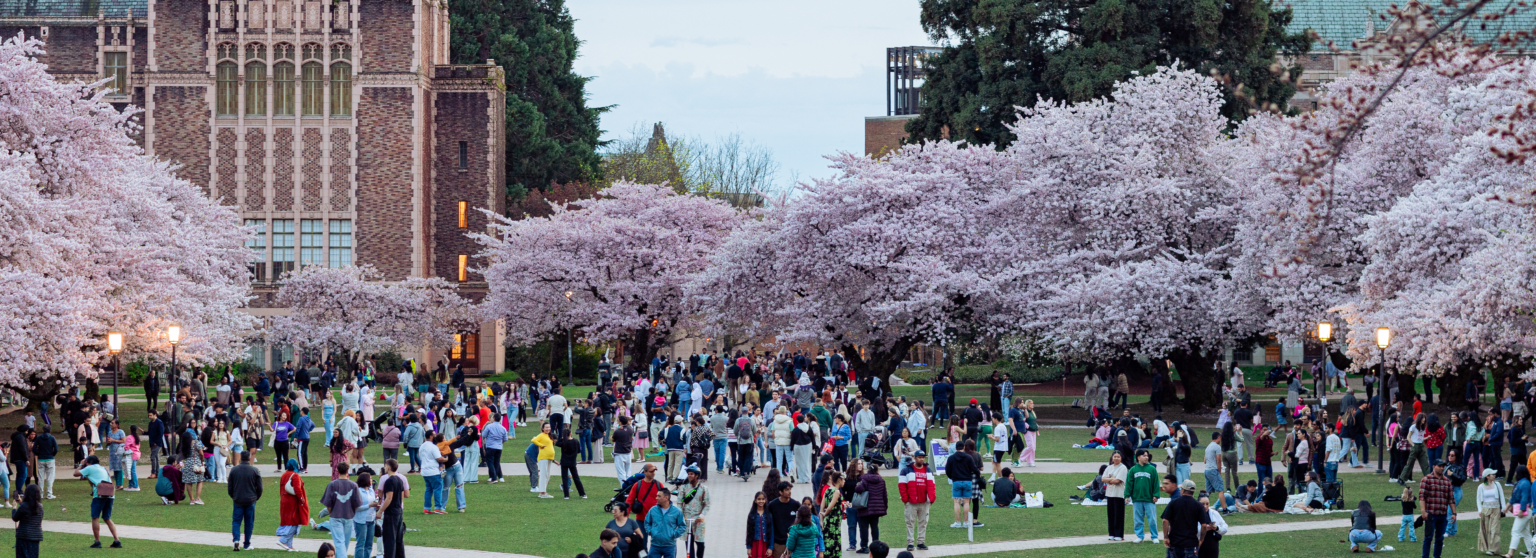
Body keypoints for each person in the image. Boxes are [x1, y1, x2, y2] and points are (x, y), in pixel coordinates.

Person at [74, 455, 121, 548]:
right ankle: (117, 540)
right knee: (107, 518)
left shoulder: (90, 468)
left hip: (99, 495)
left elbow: (75, 473)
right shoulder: (102, 468)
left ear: (88, 462)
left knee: (95, 517)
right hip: (110, 494)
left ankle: (97, 541)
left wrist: (81, 464)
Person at [1160, 478, 1209, 558]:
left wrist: (1166, 537)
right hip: (1191, 544)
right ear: (1193, 492)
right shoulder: (1198, 505)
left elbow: (1165, 521)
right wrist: (1201, 539)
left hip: (1175, 543)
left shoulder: (1173, 502)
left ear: (1182, 490)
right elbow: (1204, 525)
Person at [897, 450, 935, 551]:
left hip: (925, 502)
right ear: (915, 458)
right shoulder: (906, 470)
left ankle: (921, 542)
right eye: (919, 457)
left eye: (923, 457)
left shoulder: (928, 470)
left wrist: (932, 498)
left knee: (923, 522)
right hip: (911, 502)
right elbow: (901, 486)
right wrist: (905, 499)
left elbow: (932, 485)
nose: (921, 459)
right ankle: (910, 543)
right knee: (910, 522)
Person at [1420, 460, 1455, 558]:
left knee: (1439, 539)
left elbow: (1451, 499)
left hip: (1442, 515)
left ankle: (1437, 556)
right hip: (1430, 515)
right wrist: (1423, 512)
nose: (1442, 468)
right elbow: (1422, 497)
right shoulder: (1426, 479)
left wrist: (1454, 513)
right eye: (1439, 466)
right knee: (1428, 538)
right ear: (1434, 466)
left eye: (1443, 466)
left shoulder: (1447, 481)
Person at [227, 450, 262, 551]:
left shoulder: (234, 470)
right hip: (251, 500)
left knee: (236, 521)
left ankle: (236, 540)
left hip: (238, 499)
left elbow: (230, 487)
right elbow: (259, 487)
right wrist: (256, 497)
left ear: (241, 458)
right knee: (249, 522)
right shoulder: (254, 470)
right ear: (250, 458)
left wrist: (233, 496)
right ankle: (247, 544)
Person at [376, 459, 409, 558]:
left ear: (389, 467)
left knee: (389, 539)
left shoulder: (389, 481)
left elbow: (388, 498)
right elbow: (402, 496)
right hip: (398, 511)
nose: (385, 468)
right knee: (399, 539)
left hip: (391, 513)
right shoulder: (400, 479)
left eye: (386, 466)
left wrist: (380, 511)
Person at [1128, 450, 1161, 543]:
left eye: (1147, 456)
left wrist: (1156, 495)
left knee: (1152, 519)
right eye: (1144, 456)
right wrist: (1127, 495)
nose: (1146, 457)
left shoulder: (1152, 469)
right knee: (1138, 519)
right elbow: (1129, 483)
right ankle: (1140, 536)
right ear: (1138, 457)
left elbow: (1156, 483)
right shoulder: (1133, 470)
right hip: (1137, 498)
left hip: (1149, 499)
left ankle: (1154, 536)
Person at [855, 461, 888, 554]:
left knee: (864, 528)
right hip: (877, 509)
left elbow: (858, 489)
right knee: (874, 527)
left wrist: (857, 485)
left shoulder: (864, 479)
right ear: (877, 470)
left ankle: (864, 546)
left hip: (864, 507)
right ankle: (876, 546)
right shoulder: (881, 480)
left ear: (868, 470)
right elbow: (884, 496)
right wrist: (884, 509)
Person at [276, 458, 309, 552]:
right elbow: (297, 489)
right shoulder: (295, 475)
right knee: (294, 521)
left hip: (284, 501)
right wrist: (302, 499)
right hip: (292, 502)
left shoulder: (284, 475)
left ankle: (289, 545)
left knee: (289, 521)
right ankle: (283, 540)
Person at [644, 487, 685, 558]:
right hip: (655, 545)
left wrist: (674, 534)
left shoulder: (677, 511)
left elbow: (682, 526)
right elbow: (647, 523)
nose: (656, 498)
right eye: (656, 496)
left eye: (659, 496)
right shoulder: (653, 510)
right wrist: (651, 532)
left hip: (670, 546)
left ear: (666, 498)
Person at [680, 466, 710, 558]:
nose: (689, 476)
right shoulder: (683, 488)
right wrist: (681, 516)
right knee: (688, 543)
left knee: (700, 543)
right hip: (687, 519)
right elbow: (679, 503)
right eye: (688, 474)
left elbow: (707, 504)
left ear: (697, 475)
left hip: (698, 520)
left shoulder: (703, 488)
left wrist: (701, 515)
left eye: (691, 474)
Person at [766, 481, 799, 558]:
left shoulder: (795, 504)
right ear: (780, 492)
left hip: (792, 541)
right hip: (778, 542)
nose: (789, 492)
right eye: (787, 490)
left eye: (790, 489)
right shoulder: (772, 505)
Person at [1478, 468, 1507, 554]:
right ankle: (1488, 547)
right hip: (1485, 510)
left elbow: (1501, 496)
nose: (1494, 476)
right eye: (1492, 474)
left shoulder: (1497, 485)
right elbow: (1478, 499)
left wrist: (1503, 509)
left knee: (1494, 529)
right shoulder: (1481, 486)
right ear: (1487, 476)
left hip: (1496, 509)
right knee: (1487, 529)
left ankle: (1493, 549)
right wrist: (1480, 510)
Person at [1102, 450, 1129, 541]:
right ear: (1112, 458)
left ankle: (1119, 534)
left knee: (1118, 514)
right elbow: (1103, 479)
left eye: (1118, 457)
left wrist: (1109, 480)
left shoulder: (1123, 468)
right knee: (1111, 514)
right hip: (1110, 493)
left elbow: (1117, 481)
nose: (1116, 458)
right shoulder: (1109, 467)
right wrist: (1111, 479)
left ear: (1121, 458)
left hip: (1119, 494)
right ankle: (1111, 533)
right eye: (1115, 457)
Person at [1507, 465, 1533, 558]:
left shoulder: (1524, 484)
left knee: (1515, 531)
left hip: (1524, 512)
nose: (1515, 473)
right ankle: (1532, 552)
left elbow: (1524, 498)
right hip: (1525, 511)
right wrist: (1507, 507)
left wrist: (1522, 510)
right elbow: (1513, 497)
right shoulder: (1520, 483)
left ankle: (1510, 553)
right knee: (1526, 533)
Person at [12, 484, 41, 558]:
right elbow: (30, 511)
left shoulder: (24, 506)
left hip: (23, 536)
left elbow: (15, 518)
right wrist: (21, 502)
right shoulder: (40, 507)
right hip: (35, 537)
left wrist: (14, 508)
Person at [558, 425, 587, 499]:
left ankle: (566, 495)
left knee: (564, 478)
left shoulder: (564, 442)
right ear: (570, 433)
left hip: (564, 461)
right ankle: (583, 493)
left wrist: (561, 439)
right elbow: (579, 451)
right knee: (576, 478)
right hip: (572, 462)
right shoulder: (575, 441)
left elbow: (557, 443)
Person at [1197, 492, 1229, 558]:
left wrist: (1217, 528)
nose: (1205, 506)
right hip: (1199, 545)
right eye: (1202, 504)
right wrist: (1204, 529)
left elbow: (1225, 527)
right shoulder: (1194, 514)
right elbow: (1191, 530)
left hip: (1213, 546)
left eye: (1207, 504)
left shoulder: (1214, 513)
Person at [353, 472, 377, 558]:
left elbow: (373, 502)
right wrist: (369, 505)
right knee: (361, 544)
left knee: (369, 544)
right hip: (361, 521)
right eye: (370, 478)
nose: (371, 480)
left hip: (371, 519)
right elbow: (356, 507)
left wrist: (376, 506)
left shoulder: (371, 490)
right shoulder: (358, 491)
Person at [747, 492, 775, 558]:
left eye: (763, 499)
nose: (761, 501)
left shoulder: (769, 515)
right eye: (759, 499)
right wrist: (748, 547)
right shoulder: (751, 515)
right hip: (755, 544)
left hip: (765, 543)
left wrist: (770, 547)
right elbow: (749, 532)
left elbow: (772, 531)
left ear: (765, 500)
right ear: (755, 500)